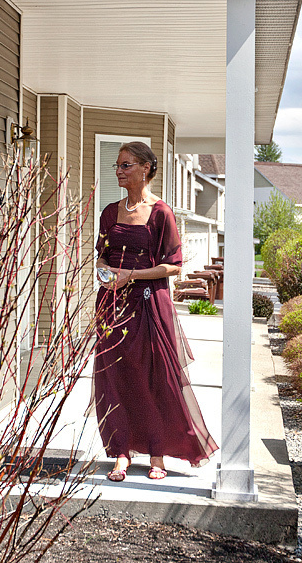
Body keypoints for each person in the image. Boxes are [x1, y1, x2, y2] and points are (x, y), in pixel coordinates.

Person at [94, 141, 217, 481]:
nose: (119, 170)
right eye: (118, 165)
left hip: (148, 303)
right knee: (115, 378)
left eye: (126, 165)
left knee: (154, 379)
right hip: (112, 304)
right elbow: (101, 256)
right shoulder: (109, 212)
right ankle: (120, 453)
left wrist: (130, 276)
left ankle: (157, 454)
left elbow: (174, 266)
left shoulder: (161, 213)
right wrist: (107, 275)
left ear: (146, 168)